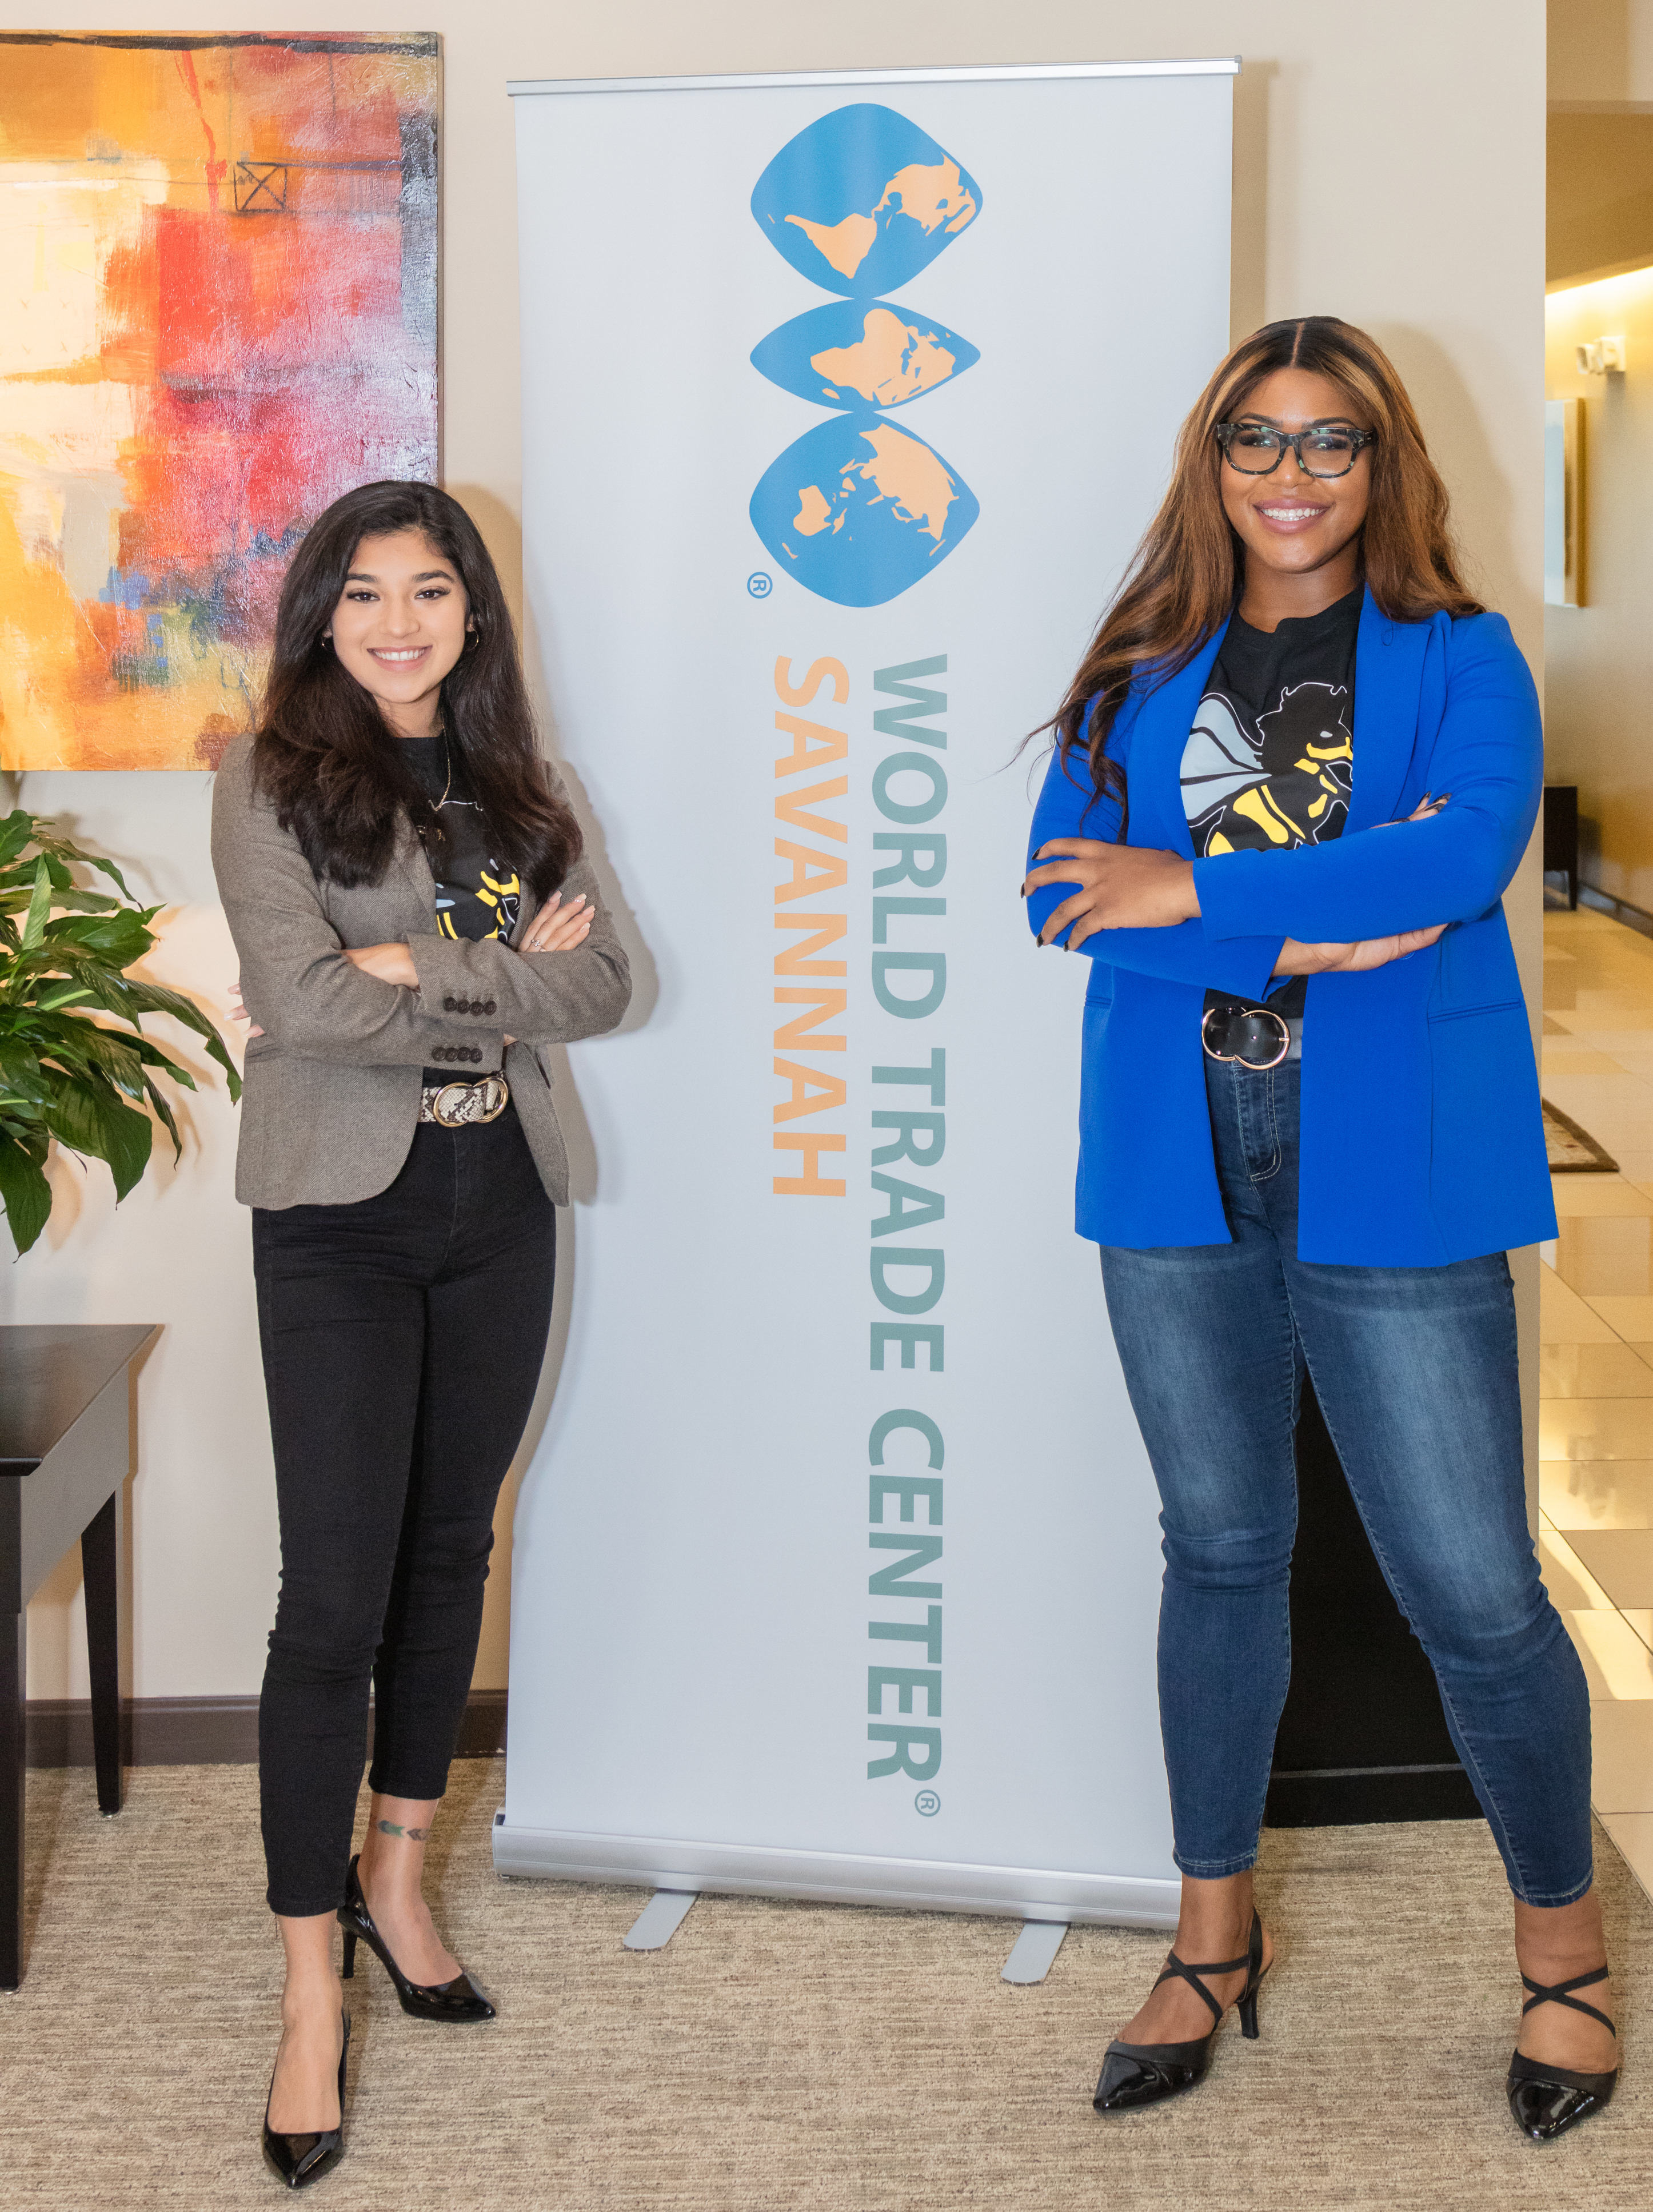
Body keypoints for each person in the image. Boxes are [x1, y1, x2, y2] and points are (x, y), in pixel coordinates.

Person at [1023, 318, 1615, 2144]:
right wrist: (1304, 927)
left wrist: (1192, 890)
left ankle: (1565, 1955)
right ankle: (1212, 1935)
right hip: (1172, 1143)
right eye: (1256, 443)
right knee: (1216, 1548)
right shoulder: (1137, 666)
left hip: (1390, 1151)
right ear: (1212, 466)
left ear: (1385, 467)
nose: (1291, 478)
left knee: (1472, 1590)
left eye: (1331, 444)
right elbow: (1059, 888)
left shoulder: (1458, 654)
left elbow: (1457, 863)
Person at [212, 480, 630, 2187]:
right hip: (339, 1222)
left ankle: (399, 1875)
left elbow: (610, 990)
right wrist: (468, 970)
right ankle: (310, 1987)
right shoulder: (266, 784)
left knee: (453, 1548)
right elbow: (300, 1004)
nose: (401, 621)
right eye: (366, 591)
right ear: (324, 613)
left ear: (474, 617)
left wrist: (398, 974)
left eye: (433, 591)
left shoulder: (531, 788)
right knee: (334, 1596)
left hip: (501, 1201)